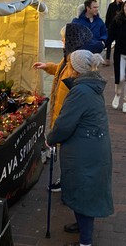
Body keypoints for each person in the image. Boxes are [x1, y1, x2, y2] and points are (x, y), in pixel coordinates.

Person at [46, 50, 113, 246]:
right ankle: (82, 225)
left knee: (83, 192)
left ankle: (85, 242)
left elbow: (64, 124)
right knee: (83, 191)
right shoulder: (89, 86)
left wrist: (51, 138)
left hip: (85, 150)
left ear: (75, 69)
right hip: (91, 146)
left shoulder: (80, 91)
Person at [33, 23, 93, 191]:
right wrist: (47, 67)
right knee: (64, 151)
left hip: (67, 114)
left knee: (68, 153)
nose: (61, 41)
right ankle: (66, 180)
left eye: (64, 39)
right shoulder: (68, 58)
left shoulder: (76, 62)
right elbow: (60, 70)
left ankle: (68, 183)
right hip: (62, 112)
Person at [103, 0, 124, 66]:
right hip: (111, 27)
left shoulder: (123, 5)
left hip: (120, 28)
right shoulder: (111, 5)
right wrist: (106, 27)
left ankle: (117, 59)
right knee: (108, 43)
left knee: (118, 44)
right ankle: (107, 59)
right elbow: (108, 16)